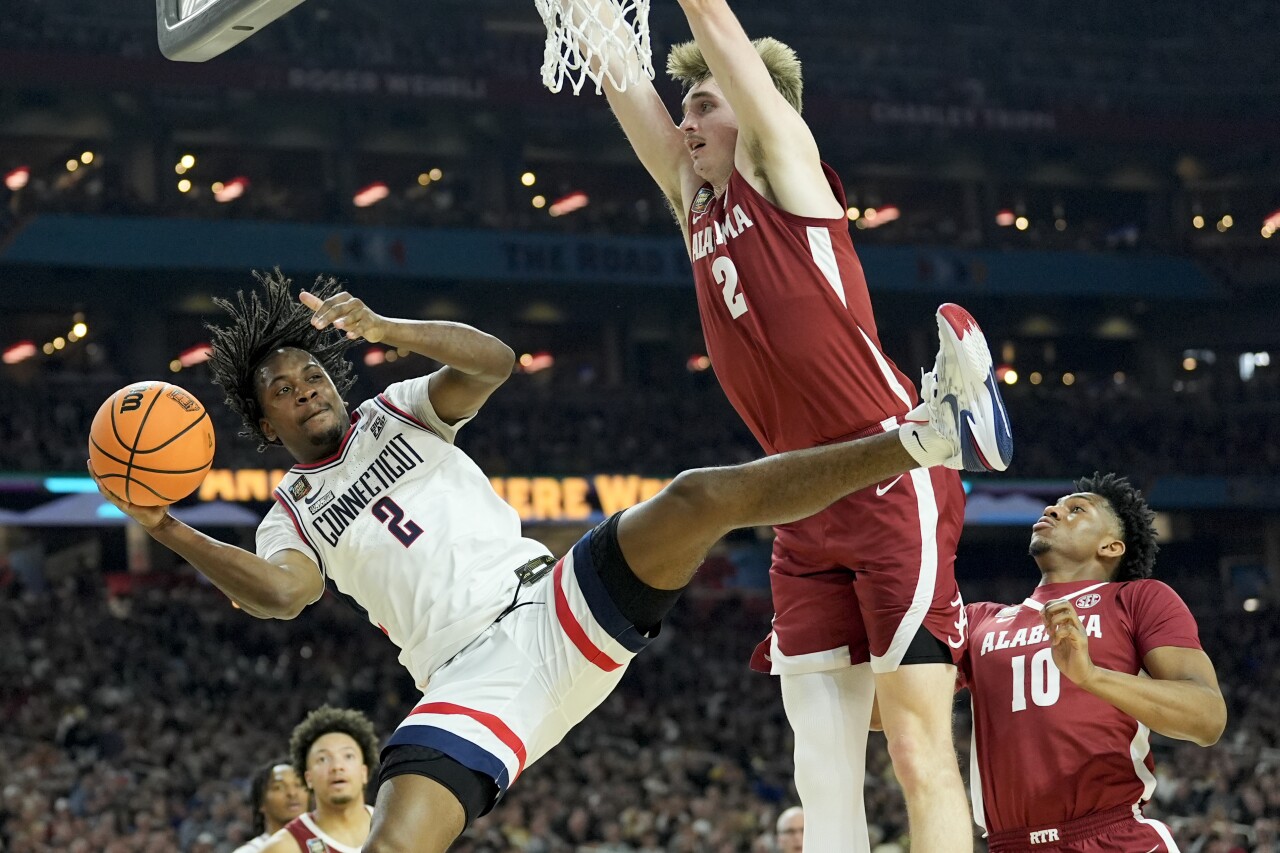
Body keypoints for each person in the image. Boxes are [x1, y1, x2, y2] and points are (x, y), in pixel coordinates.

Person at [87, 270, 1009, 853]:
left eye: (315, 374)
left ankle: (924, 435)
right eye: (284, 391)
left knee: (694, 496)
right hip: (471, 680)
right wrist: (168, 529)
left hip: (557, 604)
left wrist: (383, 324)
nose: (307, 390)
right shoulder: (289, 513)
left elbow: (493, 360)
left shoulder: (395, 410)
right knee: (396, 843)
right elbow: (281, 596)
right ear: (266, 424)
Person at [570, 1, 1012, 849]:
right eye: (686, 107)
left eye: (704, 104)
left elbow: (717, 28)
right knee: (821, 766)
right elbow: (621, 81)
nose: (687, 121)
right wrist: (580, 16)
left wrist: (711, 40)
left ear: (760, 105)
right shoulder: (693, 199)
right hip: (797, 498)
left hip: (891, 471)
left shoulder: (787, 167)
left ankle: (953, 415)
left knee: (918, 748)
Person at [961, 473, 1227, 852]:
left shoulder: (1138, 599)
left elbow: (1208, 718)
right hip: (1010, 844)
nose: (1053, 509)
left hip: (1114, 838)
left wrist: (1090, 676)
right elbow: (881, 715)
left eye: (1077, 509)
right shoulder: (979, 619)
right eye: (1056, 505)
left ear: (1111, 546)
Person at [262, 706, 378, 853]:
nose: (337, 766)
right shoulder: (283, 848)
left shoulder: (396, 827)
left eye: (348, 756)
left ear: (364, 772)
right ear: (308, 778)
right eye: (322, 759)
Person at [232, 759, 307, 853]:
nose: (292, 793)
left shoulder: (323, 843)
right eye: (278, 787)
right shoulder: (251, 851)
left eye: (298, 785)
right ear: (261, 803)